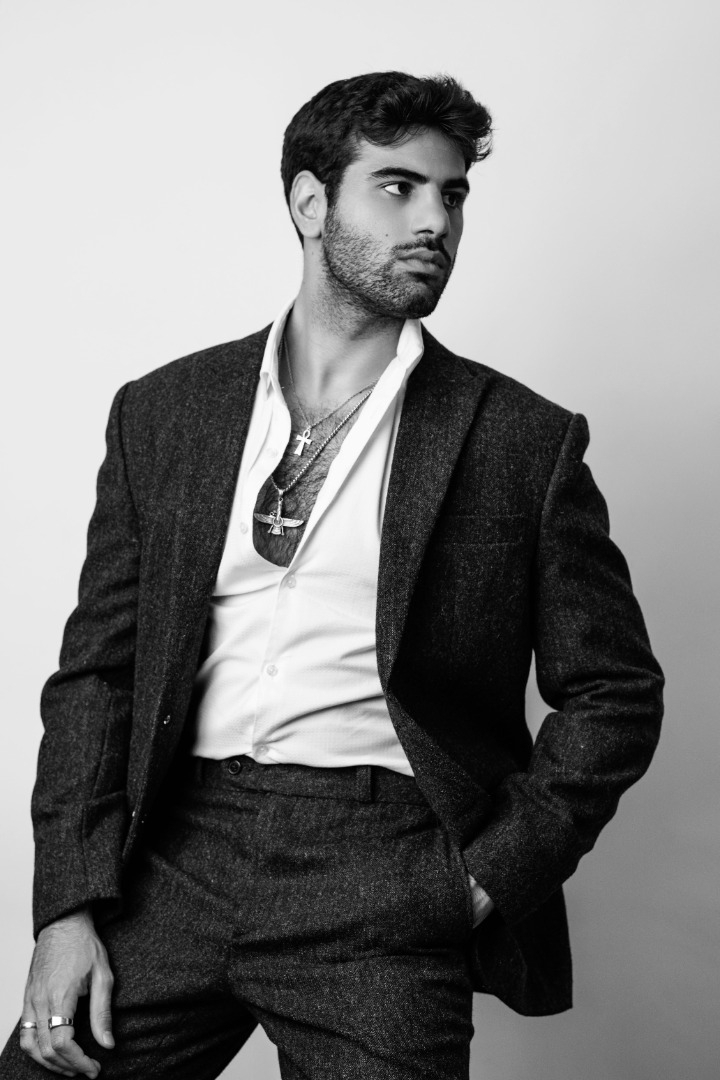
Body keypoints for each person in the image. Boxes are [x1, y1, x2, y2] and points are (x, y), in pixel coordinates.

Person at [1, 71, 664, 1080]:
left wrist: (484, 879)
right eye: (399, 187)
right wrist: (66, 908)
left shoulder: (520, 440)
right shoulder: (166, 412)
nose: (435, 221)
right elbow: (99, 674)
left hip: (385, 867)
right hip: (173, 854)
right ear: (310, 203)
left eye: (452, 195)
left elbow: (615, 691)